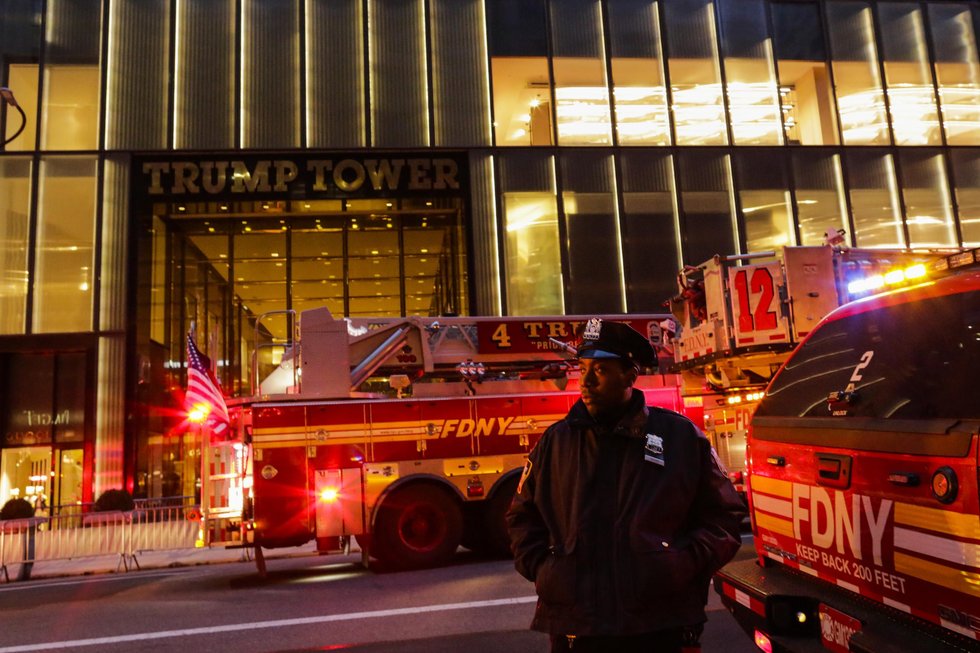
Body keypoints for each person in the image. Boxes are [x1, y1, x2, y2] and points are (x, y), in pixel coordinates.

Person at [506, 318, 747, 652]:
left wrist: (679, 565)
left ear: (630, 376)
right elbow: (522, 517)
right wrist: (546, 570)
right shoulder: (555, 442)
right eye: (583, 368)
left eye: (600, 370)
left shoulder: (679, 437)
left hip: (660, 624)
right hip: (578, 627)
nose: (586, 381)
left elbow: (724, 516)